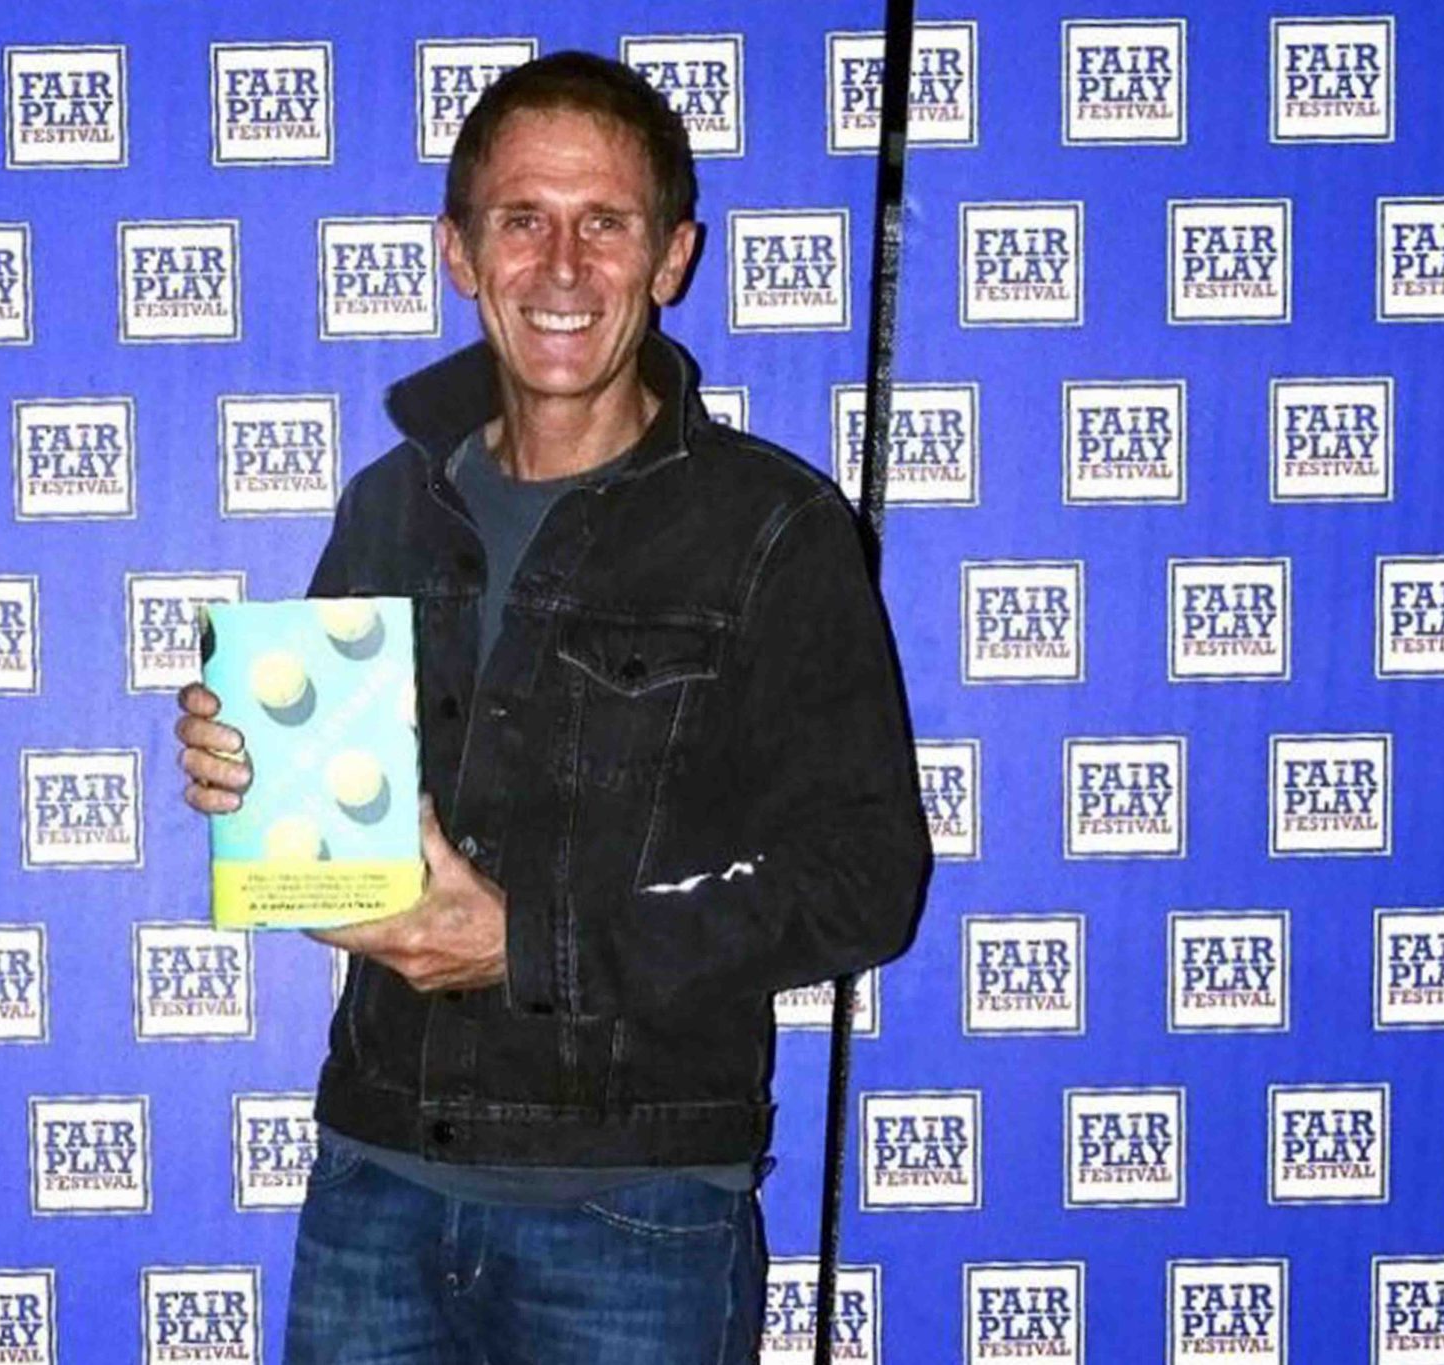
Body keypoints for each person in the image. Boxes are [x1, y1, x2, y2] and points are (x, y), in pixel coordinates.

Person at [175, 51, 929, 1365]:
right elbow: (346, 845)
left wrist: (527, 946)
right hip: (373, 1182)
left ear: (672, 257)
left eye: (606, 222)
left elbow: (866, 882)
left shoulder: (775, 529)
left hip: (635, 1215)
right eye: (522, 218)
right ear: (460, 252)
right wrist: (252, 778)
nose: (563, 266)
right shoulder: (391, 505)